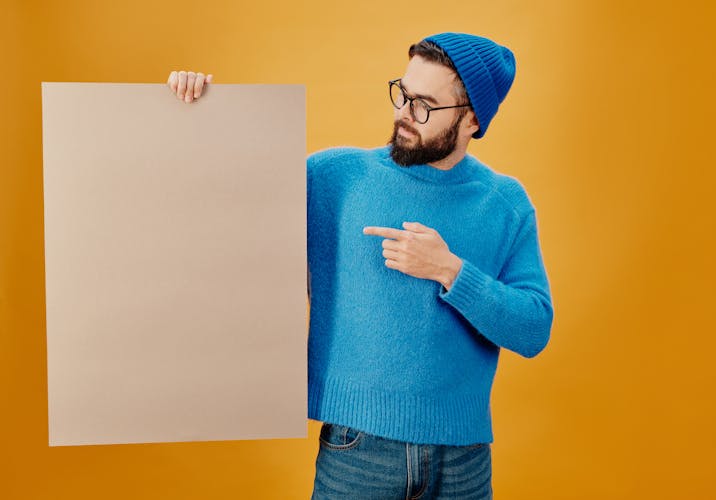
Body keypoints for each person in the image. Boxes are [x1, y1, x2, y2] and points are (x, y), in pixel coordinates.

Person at [167, 32, 553, 499]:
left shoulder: (504, 203)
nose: (403, 113)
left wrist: (451, 271)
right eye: (402, 93)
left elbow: (533, 330)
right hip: (358, 452)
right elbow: (226, 201)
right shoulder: (333, 177)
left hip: (464, 462)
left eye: (424, 105)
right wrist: (195, 111)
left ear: (472, 119)